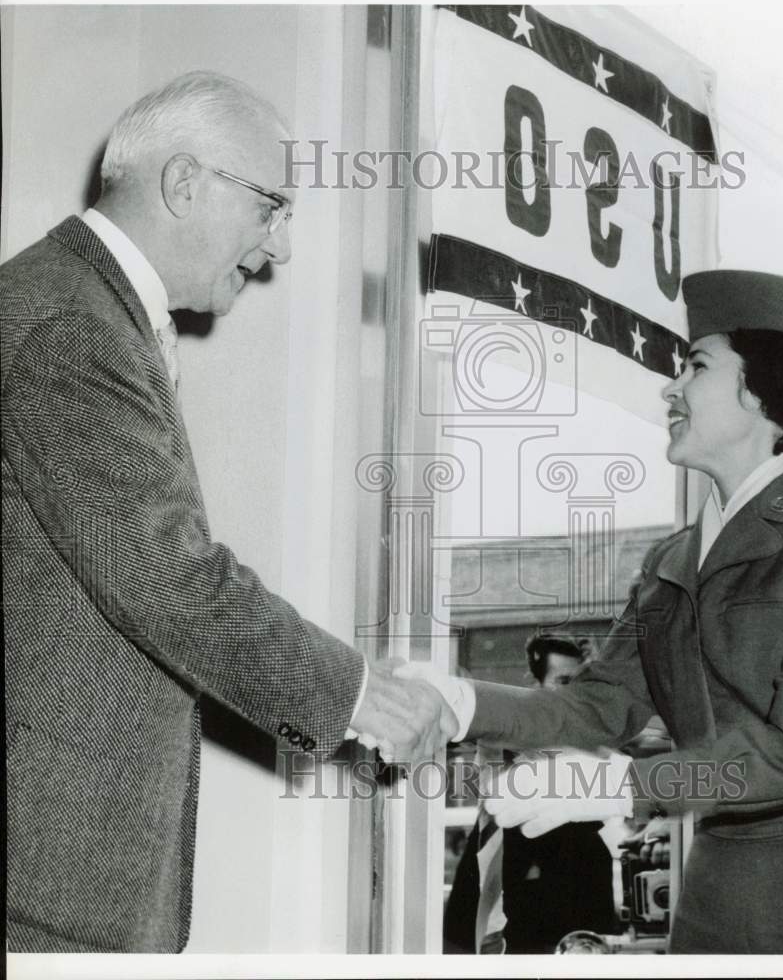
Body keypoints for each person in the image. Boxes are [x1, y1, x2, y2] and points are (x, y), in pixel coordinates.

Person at [1, 71, 454, 953]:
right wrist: (364, 696)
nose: (278, 247)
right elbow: (170, 580)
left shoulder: (76, 307)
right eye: (271, 208)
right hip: (44, 880)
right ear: (183, 184)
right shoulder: (73, 327)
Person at [405, 270, 783, 953]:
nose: (671, 388)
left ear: (772, 391)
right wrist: (460, 703)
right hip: (712, 899)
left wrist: (625, 783)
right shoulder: (672, 562)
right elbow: (595, 707)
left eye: (696, 365)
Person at [443, 635, 618, 954]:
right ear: (537, 684)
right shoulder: (518, 723)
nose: (572, 692)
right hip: (519, 861)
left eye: (579, 682)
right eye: (562, 681)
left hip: (579, 864)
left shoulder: (589, 726)